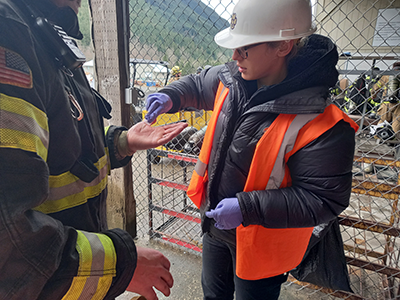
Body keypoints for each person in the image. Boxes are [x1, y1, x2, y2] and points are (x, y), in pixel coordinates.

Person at [144, 0, 358, 299]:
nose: (234, 56)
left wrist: (247, 208)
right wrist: (171, 95)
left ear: (282, 46)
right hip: (216, 222)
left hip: (263, 239)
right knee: (213, 294)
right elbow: (197, 84)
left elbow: (322, 199)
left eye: (245, 48)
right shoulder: (233, 77)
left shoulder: (321, 121)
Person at [0, 0, 188, 299]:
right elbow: (9, 242)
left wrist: (121, 142)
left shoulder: (47, 32)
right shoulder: (9, 31)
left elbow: (57, 137)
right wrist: (120, 265)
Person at [375, 62, 400, 138]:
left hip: (386, 103)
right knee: (396, 124)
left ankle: (378, 136)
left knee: (382, 121)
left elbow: (376, 87)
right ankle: (393, 140)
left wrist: (373, 95)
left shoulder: (386, 75)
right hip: (399, 104)